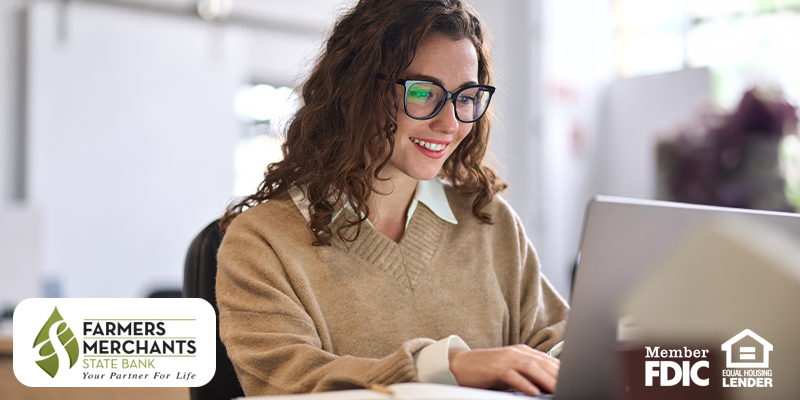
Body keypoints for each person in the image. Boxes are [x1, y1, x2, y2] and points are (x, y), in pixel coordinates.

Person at [216, 0, 569, 396]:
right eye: (423, 91)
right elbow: (288, 382)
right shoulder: (261, 242)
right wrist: (446, 367)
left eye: (466, 97)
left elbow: (555, 342)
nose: (449, 123)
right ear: (356, 90)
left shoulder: (490, 222)